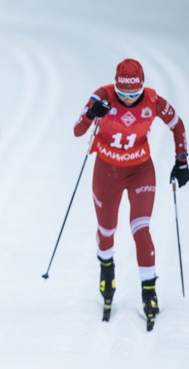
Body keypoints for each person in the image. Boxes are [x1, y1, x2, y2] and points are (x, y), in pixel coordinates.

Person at [74, 58, 188, 330]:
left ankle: (149, 290)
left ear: (141, 88)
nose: (127, 100)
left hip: (140, 170)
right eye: (123, 94)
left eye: (133, 95)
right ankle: (107, 269)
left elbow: (178, 125)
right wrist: (92, 114)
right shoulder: (102, 95)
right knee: (106, 229)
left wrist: (182, 160)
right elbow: (78, 130)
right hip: (107, 171)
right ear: (116, 87)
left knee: (141, 228)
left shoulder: (152, 101)